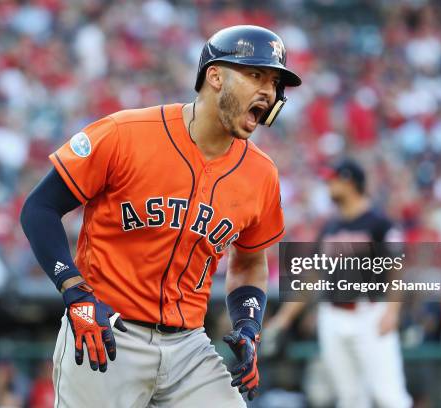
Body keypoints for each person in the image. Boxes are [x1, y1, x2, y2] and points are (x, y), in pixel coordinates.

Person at [20, 25, 301, 408]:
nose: (268, 91)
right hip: (106, 332)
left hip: (189, 345)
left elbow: (251, 262)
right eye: (255, 75)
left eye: (274, 82)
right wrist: (74, 291)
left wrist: (248, 327)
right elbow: (39, 208)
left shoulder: (262, 173)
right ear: (215, 76)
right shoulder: (126, 134)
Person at [265, 158, 412, 408]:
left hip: (370, 313)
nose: (328, 185)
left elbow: (396, 269)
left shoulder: (380, 224)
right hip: (332, 315)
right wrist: (284, 318)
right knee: (350, 398)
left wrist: (392, 310)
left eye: (333, 180)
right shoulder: (330, 228)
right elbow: (311, 278)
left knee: (389, 396)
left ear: (350, 181)